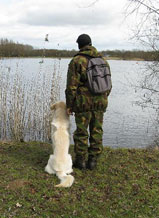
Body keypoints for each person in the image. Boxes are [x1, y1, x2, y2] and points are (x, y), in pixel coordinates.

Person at [65, 34, 111, 170]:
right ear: (91, 43)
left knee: (81, 132)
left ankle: (81, 161)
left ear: (79, 45)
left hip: (83, 103)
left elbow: (71, 86)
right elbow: (108, 84)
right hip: (101, 102)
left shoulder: (77, 61)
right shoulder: (103, 60)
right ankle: (93, 161)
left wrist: (70, 105)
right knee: (97, 130)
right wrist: (103, 98)